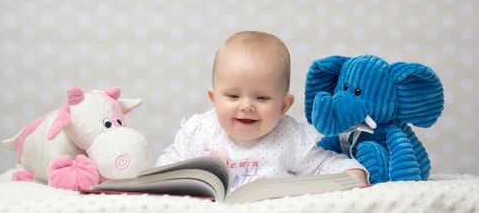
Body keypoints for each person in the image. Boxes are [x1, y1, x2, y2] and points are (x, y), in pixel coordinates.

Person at [156, 30, 369, 191]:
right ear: (214, 99)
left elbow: (323, 163)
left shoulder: (291, 137)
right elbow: (172, 161)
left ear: (283, 106)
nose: (246, 106)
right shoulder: (200, 130)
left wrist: (352, 172)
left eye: (262, 98)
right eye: (233, 96)